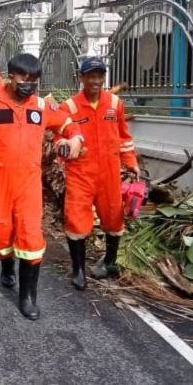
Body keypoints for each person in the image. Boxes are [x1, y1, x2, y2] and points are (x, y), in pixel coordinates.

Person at [0, 53, 83, 320]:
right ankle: (6, 265)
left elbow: (66, 123)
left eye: (33, 80)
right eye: (23, 78)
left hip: (28, 184)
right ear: (11, 75)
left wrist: (75, 138)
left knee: (30, 237)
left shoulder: (40, 106)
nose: (28, 84)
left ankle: (27, 297)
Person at [56, 57, 139, 290]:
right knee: (76, 220)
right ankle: (79, 271)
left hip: (110, 174)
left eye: (99, 76)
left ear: (103, 78)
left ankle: (109, 262)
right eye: (90, 76)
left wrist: (131, 162)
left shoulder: (115, 104)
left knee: (114, 217)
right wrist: (66, 146)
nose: (95, 80)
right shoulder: (68, 108)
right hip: (80, 174)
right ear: (81, 78)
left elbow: (124, 137)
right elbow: (58, 138)